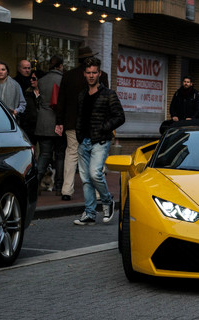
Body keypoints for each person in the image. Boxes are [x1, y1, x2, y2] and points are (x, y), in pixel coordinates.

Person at [73, 56, 125, 226]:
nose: (91, 75)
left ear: (99, 73)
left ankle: (107, 200)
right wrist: (79, 135)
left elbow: (120, 117)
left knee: (95, 173)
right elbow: (79, 117)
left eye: (94, 72)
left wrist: (104, 128)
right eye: (88, 73)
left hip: (100, 141)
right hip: (84, 141)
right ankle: (89, 213)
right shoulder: (81, 95)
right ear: (84, 74)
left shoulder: (109, 94)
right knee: (86, 179)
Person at [55, 46, 110, 201]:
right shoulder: (102, 75)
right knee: (96, 155)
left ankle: (67, 190)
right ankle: (99, 192)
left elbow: (61, 101)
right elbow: (105, 100)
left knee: (71, 154)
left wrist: (60, 121)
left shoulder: (68, 76)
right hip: (94, 123)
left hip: (72, 122)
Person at [36, 56, 65, 196]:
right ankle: (59, 187)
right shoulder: (63, 80)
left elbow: (38, 101)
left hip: (43, 122)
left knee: (44, 154)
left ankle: (35, 183)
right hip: (58, 122)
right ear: (60, 66)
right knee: (60, 156)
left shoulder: (41, 81)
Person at [20, 69, 44, 153]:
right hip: (30, 128)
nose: (31, 80)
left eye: (34, 79)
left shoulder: (45, 94)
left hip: (43, 128)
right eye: (31, 78)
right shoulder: (27, 93)